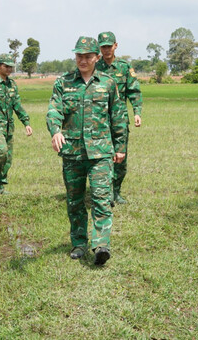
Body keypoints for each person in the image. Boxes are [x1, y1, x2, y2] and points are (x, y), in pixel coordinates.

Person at [46, 36, 127, 266]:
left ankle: (101, 244)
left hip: (101, 152)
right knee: (75, 201)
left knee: (102, 198)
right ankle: (79, 243)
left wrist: (120, 146)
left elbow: (118, 116)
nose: (83, 60)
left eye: (88, 56)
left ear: (97, 58)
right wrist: (55, 131)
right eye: (79, 55)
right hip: (72, 152)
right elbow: (54, 110)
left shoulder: (108, 83)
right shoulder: (63, 83)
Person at [95, 31, 143, 205]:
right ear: (99, 47)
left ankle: (116, 191)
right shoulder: (95, 67)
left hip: (120, 120)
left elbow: (134, 91)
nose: (106, 49)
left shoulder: (124, 67)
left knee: (121, 158)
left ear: (116, 45)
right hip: (98, 120)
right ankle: (104, 192)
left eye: (109, 46)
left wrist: (137, 112)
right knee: (102, 157)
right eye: (103, 46)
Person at [0, 53, 33, 193]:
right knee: (1, 151)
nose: (9, 69)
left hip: (9, 126)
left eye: (11, 67)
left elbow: (17, 105)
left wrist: (26, 122)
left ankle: (0, 186)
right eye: (6, 66)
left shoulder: (12, 85)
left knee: (7, 158)